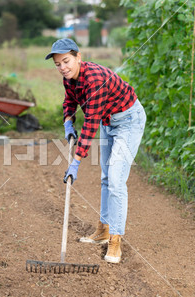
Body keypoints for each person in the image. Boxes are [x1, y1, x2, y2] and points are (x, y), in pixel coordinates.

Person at [45, 38, 146, 264]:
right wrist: (67, 122)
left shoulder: (95, 80)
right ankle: (103, 229)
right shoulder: (69, 78)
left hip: (128, 121)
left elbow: (90, 123)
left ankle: (115, 240)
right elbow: (70, 101)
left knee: (116, 180)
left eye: (66, 61)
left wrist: (76, 162)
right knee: (105, 177)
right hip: (108, 122)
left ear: (78, 57)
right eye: (58, 64)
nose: (62, 67)